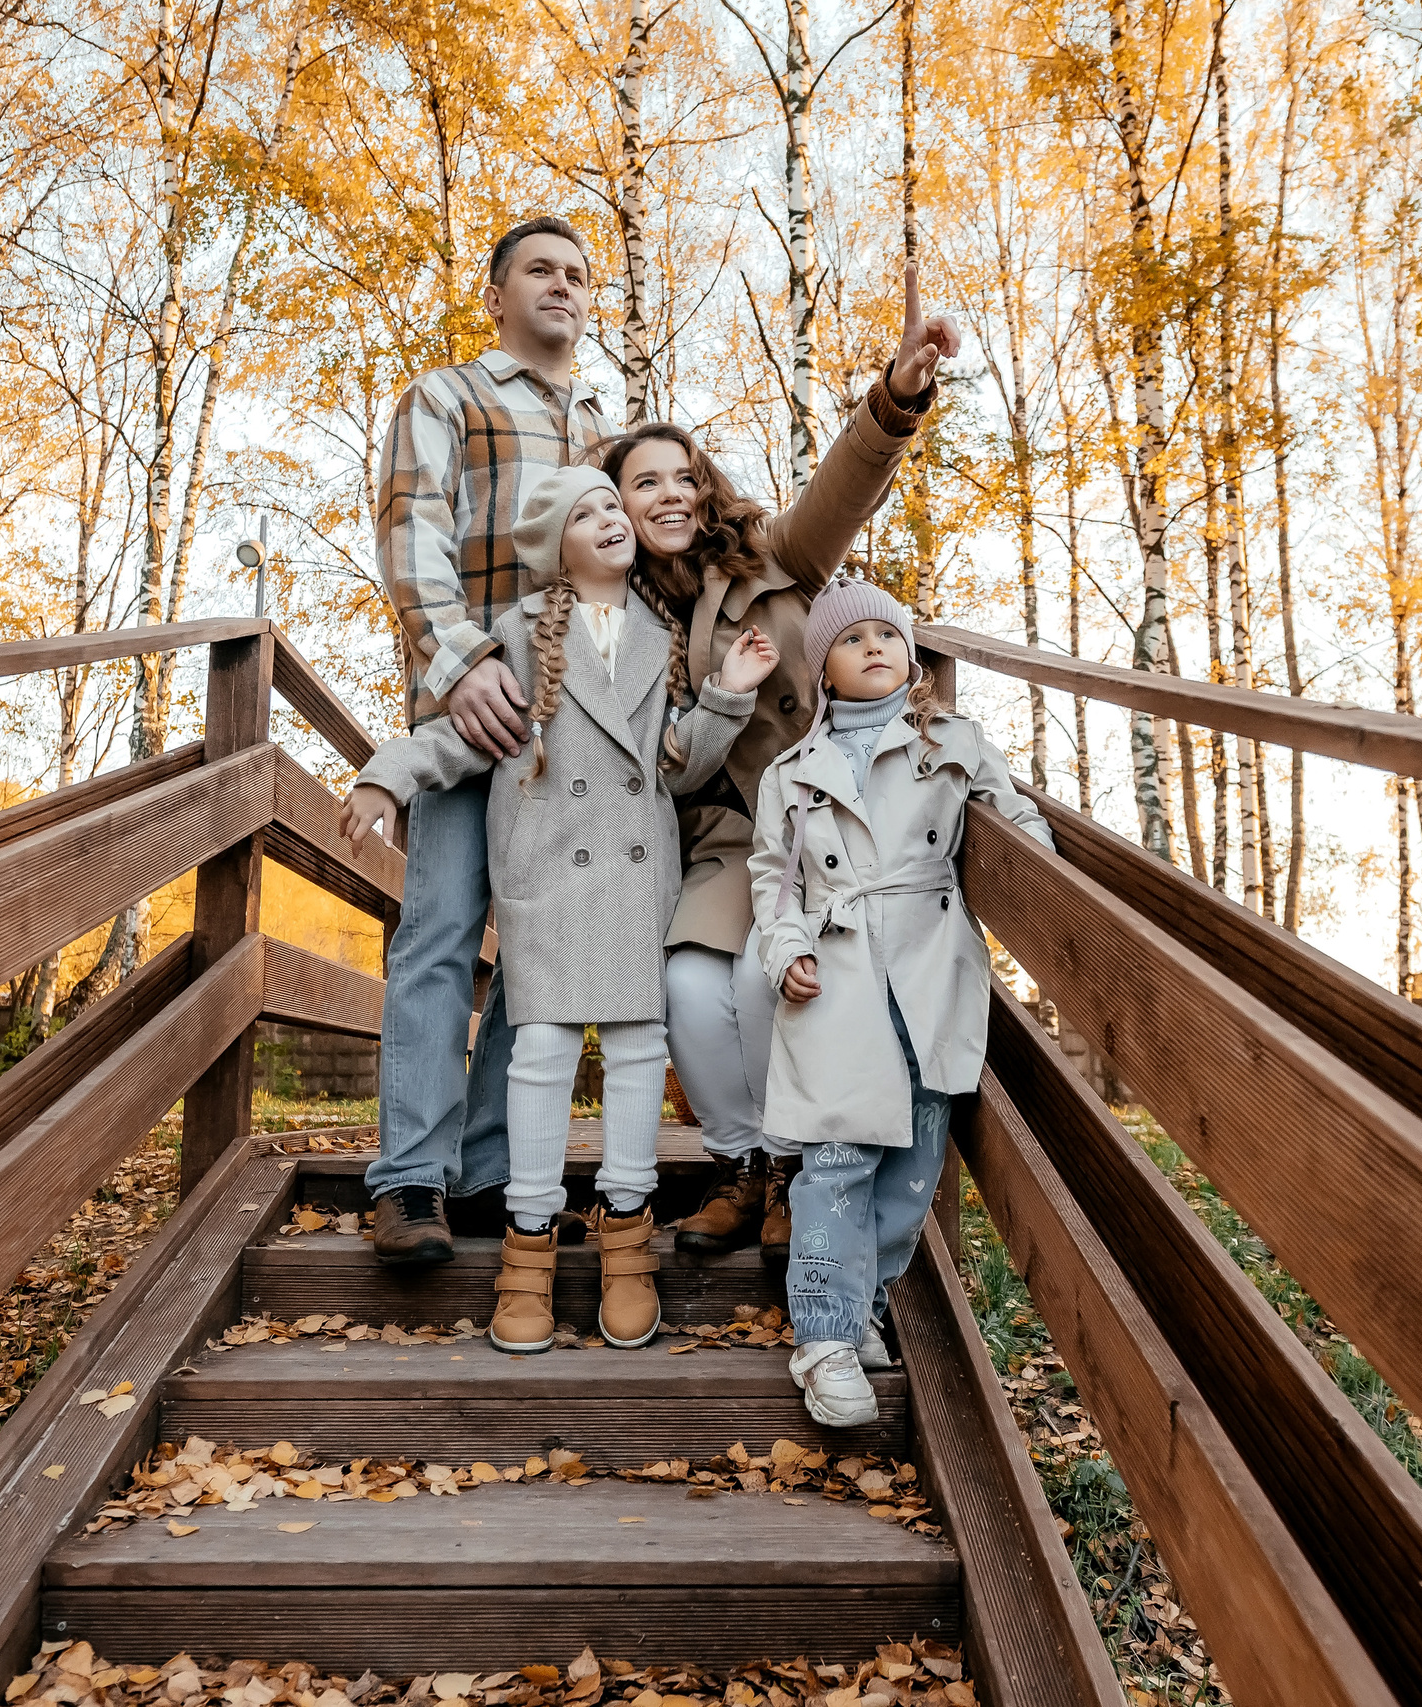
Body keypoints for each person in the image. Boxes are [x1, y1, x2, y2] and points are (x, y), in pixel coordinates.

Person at [342, 467, 779, 1350]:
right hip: (546, 878)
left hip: (632, 878)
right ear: (553, 547)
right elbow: (462, 739)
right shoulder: (519, 634)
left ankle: (626, 1236)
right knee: (538, 1053)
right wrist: (388, 773)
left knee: (634, 1049)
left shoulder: (664, 638)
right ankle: (528, 1242)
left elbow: (677, 763)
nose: (612, 517)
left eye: (612, 505)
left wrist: (728, 692)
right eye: (587, 512)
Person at [602, 264, 960, 1266]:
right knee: (685, 990)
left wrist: (895, 397)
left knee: (768, 988)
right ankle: (741, 1163)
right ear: (616, 508)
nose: (668, 494)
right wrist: (716, 692)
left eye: (682, 475)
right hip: (720, 838)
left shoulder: (770, 560)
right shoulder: (623, 622)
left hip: (822, 822)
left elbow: (838, 495)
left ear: (706, 488)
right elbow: (661, 771)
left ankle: (795, 1169)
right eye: (643, 482)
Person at [747, 576, 1054, 1427]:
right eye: (853, 639)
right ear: (825, 672)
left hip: (928, 967)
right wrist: (788, 950)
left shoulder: (952, 739)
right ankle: (824, 1334)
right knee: (838, 1160)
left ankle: (867, 1302)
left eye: (889, 633)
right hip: (837, 973)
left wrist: (1052, 892)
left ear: (910, 654)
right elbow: (773, 881)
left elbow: (1016, 821)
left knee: (915, 1162)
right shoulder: (792, 772)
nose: (875, 645)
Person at [368, 216, 612, 1266]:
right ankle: (409, 1180)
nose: (562, 287)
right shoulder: (447, 398)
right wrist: (462, 666)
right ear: (497, 294)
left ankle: (490, 1171)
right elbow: (409, 534)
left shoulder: (610, 426)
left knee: (543, 960)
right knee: (440, 933)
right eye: (541, 271)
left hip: (580, 738)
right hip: (470, 711)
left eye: (578, 276)